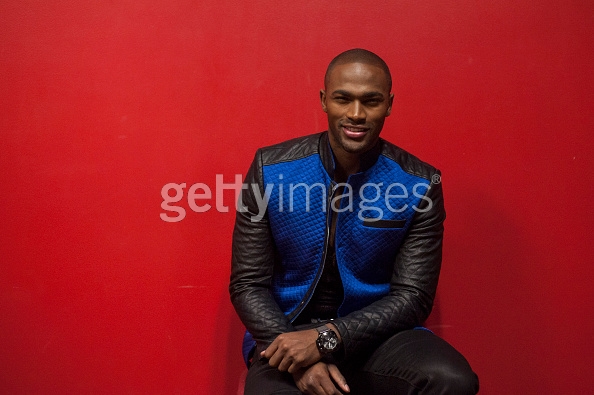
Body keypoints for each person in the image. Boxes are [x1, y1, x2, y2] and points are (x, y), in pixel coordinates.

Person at [229, 48, 479, 395]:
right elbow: (248, 284)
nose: (356, 114)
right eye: (343, 99)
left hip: (375, 337)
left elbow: (413, 297)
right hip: (284, 334)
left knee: (453, 380)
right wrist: (299, 356)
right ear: (324, 100)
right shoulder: (270, 169)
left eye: (371, 101)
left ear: (389, 104)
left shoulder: (420, 184)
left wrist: (328, 339)